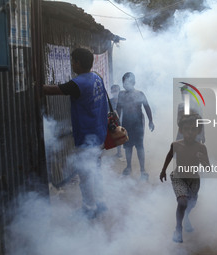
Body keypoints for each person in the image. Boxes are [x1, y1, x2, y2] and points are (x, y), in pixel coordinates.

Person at [43, 48, 108, 219]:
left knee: (85, 174)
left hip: (87, 137)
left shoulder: (78, 83)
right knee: (96, 171)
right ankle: (100, 202)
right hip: (99, 134)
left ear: (78, 62)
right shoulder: (96, 78)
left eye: (73, 61)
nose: (72, 64)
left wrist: (35, 85)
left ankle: (89, 208)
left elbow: (52, 90)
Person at [160, 114, 211, 243]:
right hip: (179, 177)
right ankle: (178, 229)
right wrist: (163, 171)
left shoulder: (201, 147)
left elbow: (208, 168)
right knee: (182, 202)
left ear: (198, 131)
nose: (190, 132)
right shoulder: (176, 145)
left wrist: (202, 159)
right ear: (181, 130)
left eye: (193, 129)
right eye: (186, 128)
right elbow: (169, 156)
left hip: (194, 180)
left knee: (191, 204)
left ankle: (186, 217)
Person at [116, 72, 154, 181]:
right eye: (124, 82)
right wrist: (117, 121)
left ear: (134, 83)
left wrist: (151, 121)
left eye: (128, 82)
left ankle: (143, 170)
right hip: (126, 123)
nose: (126, 84)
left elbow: (147, 107)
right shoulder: (121, 94)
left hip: (138, 123)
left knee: (139, 146)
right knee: (128, 146)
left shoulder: (140, 94)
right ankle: (128, 166)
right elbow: (118, 108)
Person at [109, 84, 123, 158]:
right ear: (111, 91)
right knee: (118, 136)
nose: (115, 92)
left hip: (124, 119)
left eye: (116, 91)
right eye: (113, 91)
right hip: (115, 121)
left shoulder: (123, 101)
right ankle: (119, 152)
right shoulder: (109, 101)